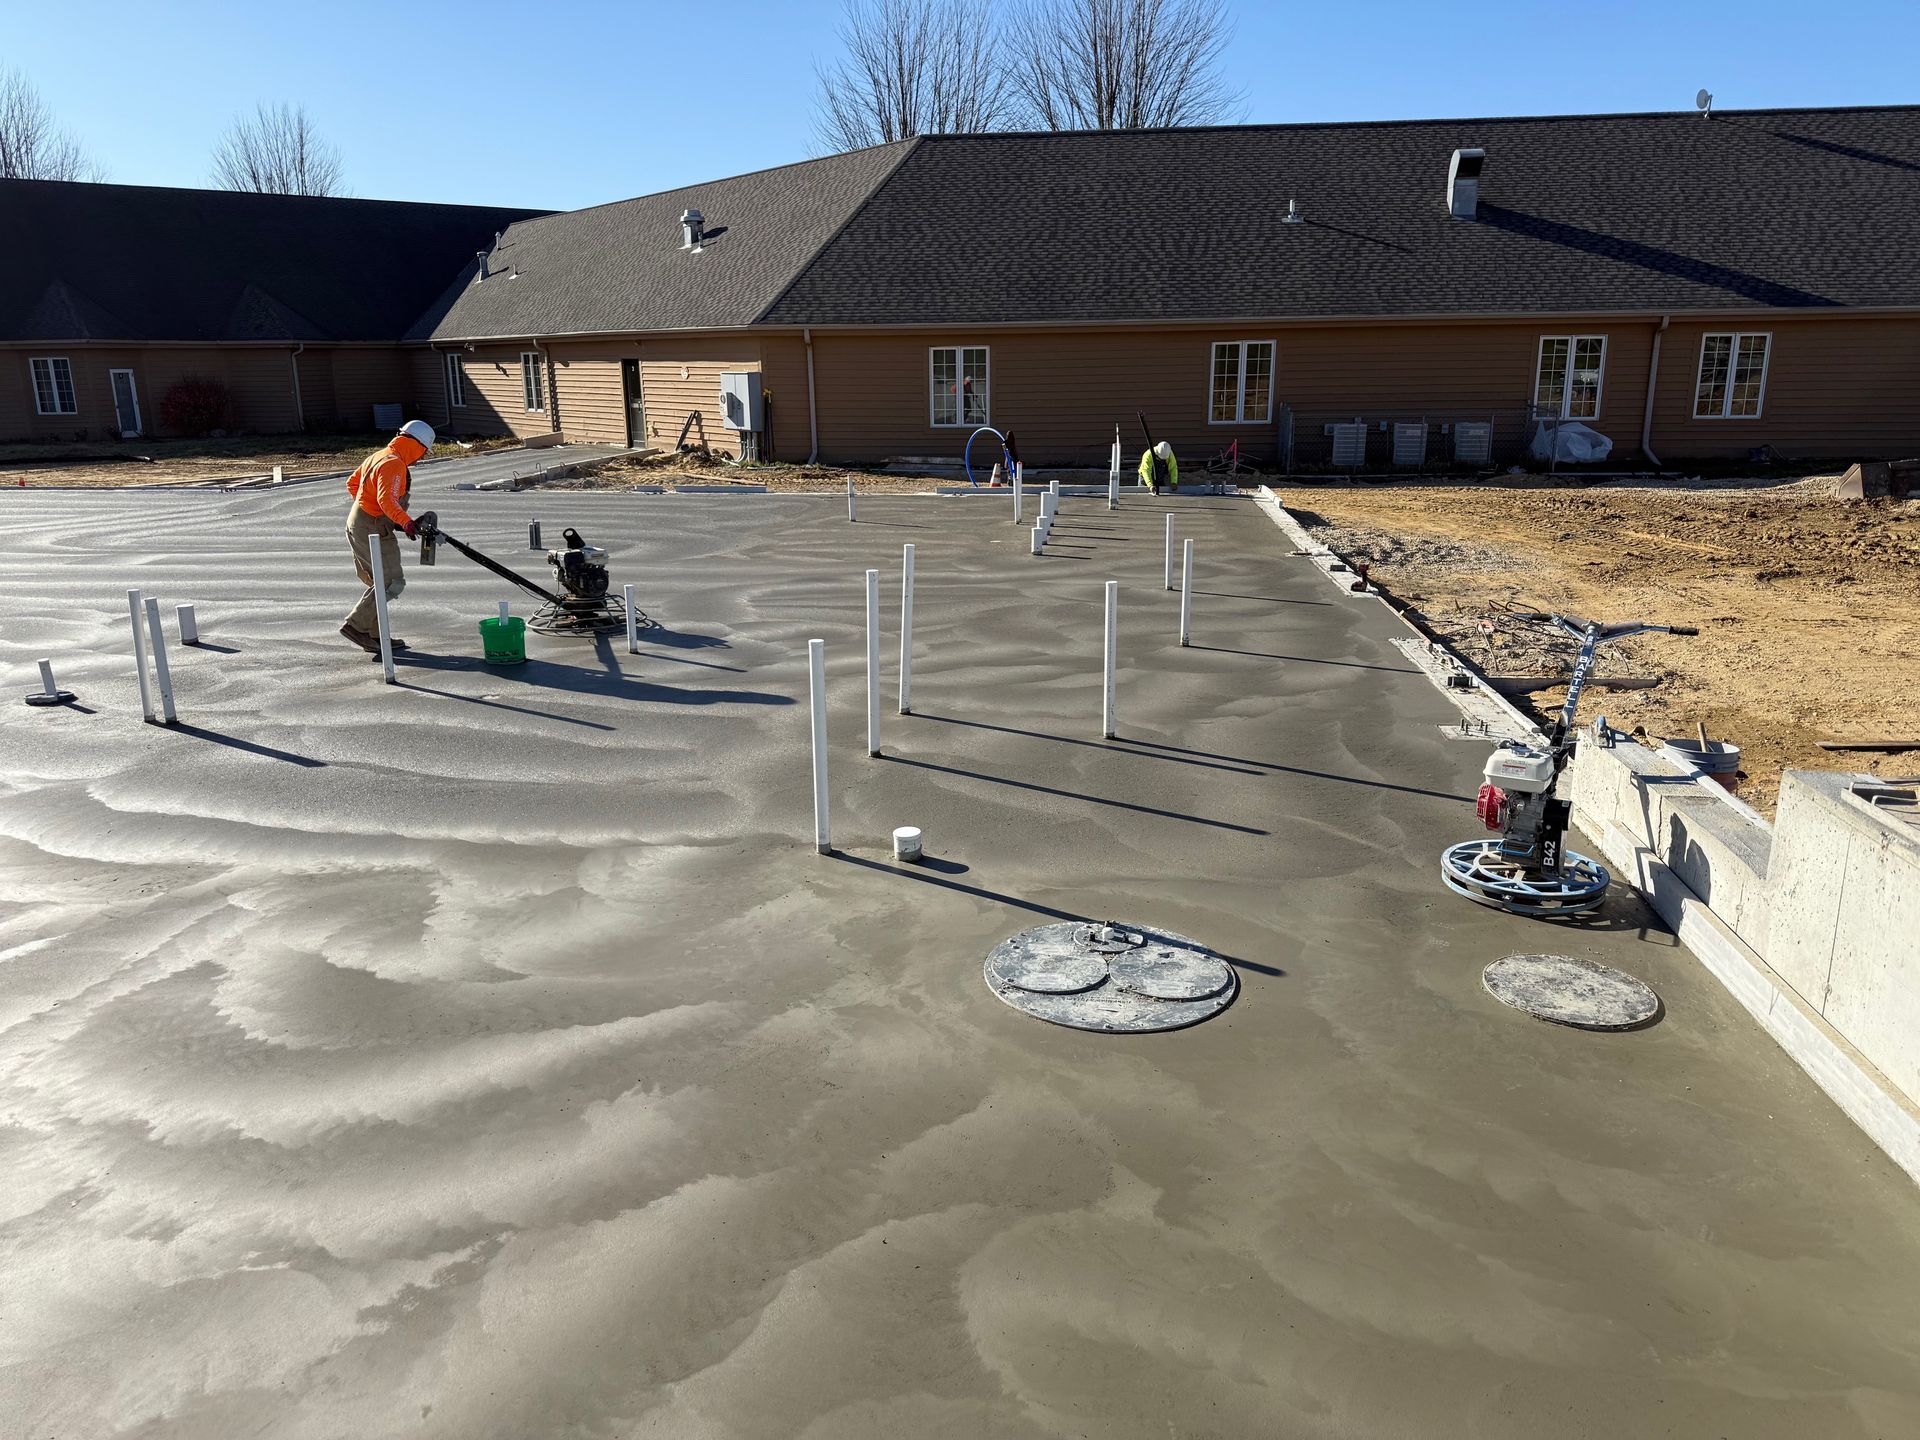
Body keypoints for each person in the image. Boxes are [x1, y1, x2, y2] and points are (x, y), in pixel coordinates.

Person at [340, 420, 434, 654]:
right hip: (372, 527)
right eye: (423, 452)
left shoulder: (380, 455)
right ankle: (355, 626)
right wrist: (404, 522)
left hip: (358, 523)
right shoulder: (394, 464)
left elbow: (353, 484)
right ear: (416, 445)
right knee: (392, 582)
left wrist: (369, 509)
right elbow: (387, 500)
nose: (422, 458)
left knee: (379, 583)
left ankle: (375, 635)